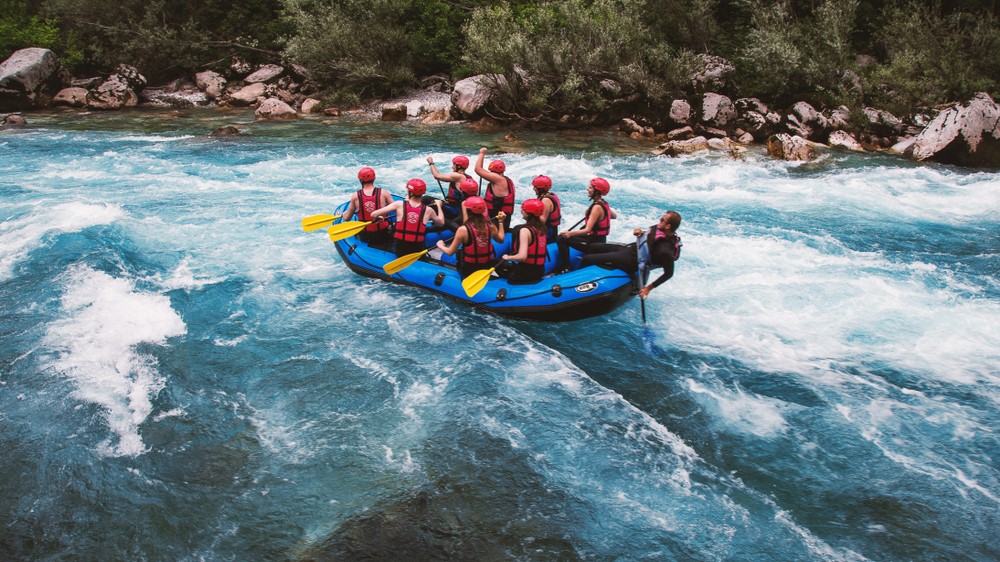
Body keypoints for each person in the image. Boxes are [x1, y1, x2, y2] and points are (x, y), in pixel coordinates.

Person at [578, 210, 683, 298]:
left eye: (663, 220)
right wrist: (640, 232)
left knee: (587, 259)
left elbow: (669, 274)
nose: (660, 220)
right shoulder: (660, 228)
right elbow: (649, 237)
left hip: (631, 260)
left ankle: (579, 282)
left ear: (668, 226)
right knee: (593, 247)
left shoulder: (665, 250)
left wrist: (648, 288)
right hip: (629, 249)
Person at [370, 178, 444, 257]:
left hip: (400, 248)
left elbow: (373, 214)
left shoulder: (399, 204)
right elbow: (441, 223)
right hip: (417, 248)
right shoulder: (429, 210)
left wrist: (380, 218)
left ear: (410, 192)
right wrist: (439, 205)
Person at [435, 196, 506, 278]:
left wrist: (440, 245)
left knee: (459, 253)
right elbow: (501, 240)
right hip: (487, 266)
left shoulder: (463, 230)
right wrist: (501, 222)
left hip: (469, 268)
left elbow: (450, 252)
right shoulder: (490, 226)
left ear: (468, 211)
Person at [556, 177, 617, 272]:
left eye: (590, 188)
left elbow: (587, 230)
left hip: (593, 245)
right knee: (580, 229)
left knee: (561, 238)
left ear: (597, 191)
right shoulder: (604, 203)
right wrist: (596, 217)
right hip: (600, 240)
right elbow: (614, 216)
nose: (587, 189)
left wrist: (569, 233)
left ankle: (565, 267)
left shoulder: (597, 207)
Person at [497, 199, 548, 284]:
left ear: (529, 214)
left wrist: (507, 257)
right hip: (540, 270)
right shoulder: (542, 228)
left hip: (524, 273)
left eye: (523, 210)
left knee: (499, 264)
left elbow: (522, 257)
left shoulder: (525, 231)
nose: (522, 212)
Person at [342, 167, 393, 245]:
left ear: (360, 180)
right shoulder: (384, 193)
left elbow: (347, 218)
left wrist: (344, 214)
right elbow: (397, 209)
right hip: (383, 233)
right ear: (374, 178)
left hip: (365, 235)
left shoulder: (355, 196)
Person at [474, 147, 515, 230]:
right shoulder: (504, 179)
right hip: (500, 217)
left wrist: (482, 153)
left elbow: (478, 169)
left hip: (498, 220)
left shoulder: (498, 179)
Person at [531, 175, 561, 240]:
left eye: (535, 187)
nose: (533, 189)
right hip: (550, 230)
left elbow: (542, 220)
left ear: (541, 188)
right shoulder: (551, 195)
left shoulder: (546, 200)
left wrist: (529, 217)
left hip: (548, 232)